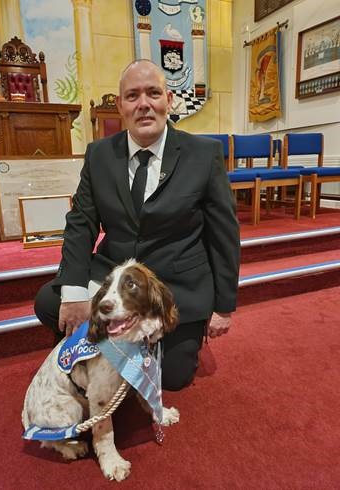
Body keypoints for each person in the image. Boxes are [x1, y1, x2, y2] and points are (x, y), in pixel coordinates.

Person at [34, 59, 240, 391]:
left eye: (153, 93)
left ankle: (123, 345)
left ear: (168, 100)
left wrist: (223, 306)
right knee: (49, 302)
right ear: (120, 106)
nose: (144, 104)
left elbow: (224, 234)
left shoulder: (203, 154)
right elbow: (81, 223)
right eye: (132, 96)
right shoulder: (99, 154)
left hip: (175, 287)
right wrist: (73, 294)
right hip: (115, 275)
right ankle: (112, 347)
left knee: (174, 378)